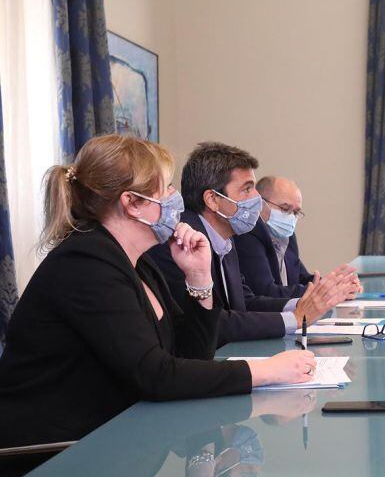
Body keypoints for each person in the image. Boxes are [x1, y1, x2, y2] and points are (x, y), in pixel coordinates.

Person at [0, 135, 317, 477]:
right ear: (132, 203)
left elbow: (190, 354)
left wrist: (199, 279)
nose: (175, 198)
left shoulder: (139, 260)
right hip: (38, 467)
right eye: (165, 188)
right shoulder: (85, 265)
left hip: (99, 444)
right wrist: (265, 371)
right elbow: (157, 376)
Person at [148, 143, 358, 345]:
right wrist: (296, 318)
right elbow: (214, 321)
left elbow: (245, 302)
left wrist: (304, 304)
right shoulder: (180, 243)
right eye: (247, 189)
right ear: (212, 199)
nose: (257, 198)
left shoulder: (225, 237)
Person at [234, 175, 362, 299]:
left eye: (295, 212)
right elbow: (266, 292)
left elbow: (301, 278)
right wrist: (324, 291)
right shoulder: (247, 235)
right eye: (285, 208)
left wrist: (337, 284)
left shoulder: (287, 236)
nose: (290, 217)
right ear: (259, 204)